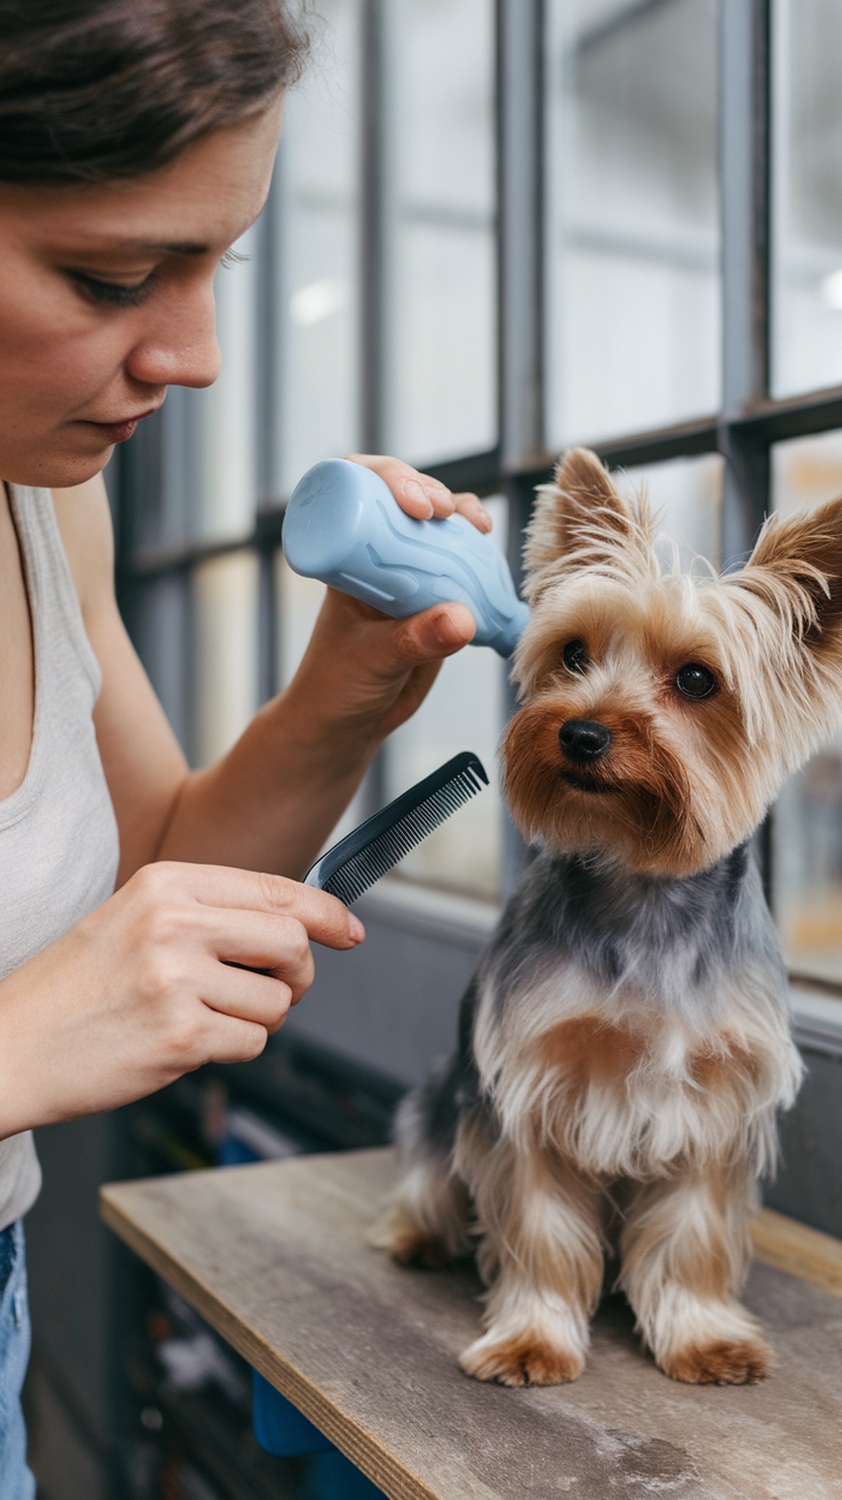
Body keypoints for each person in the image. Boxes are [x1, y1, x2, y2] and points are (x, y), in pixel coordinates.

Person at [0, 1, 491, 1489]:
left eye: (221, 264)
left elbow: (156, 877)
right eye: (113, 277)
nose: (198, 355)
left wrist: (345, 690)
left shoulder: (41, 502)